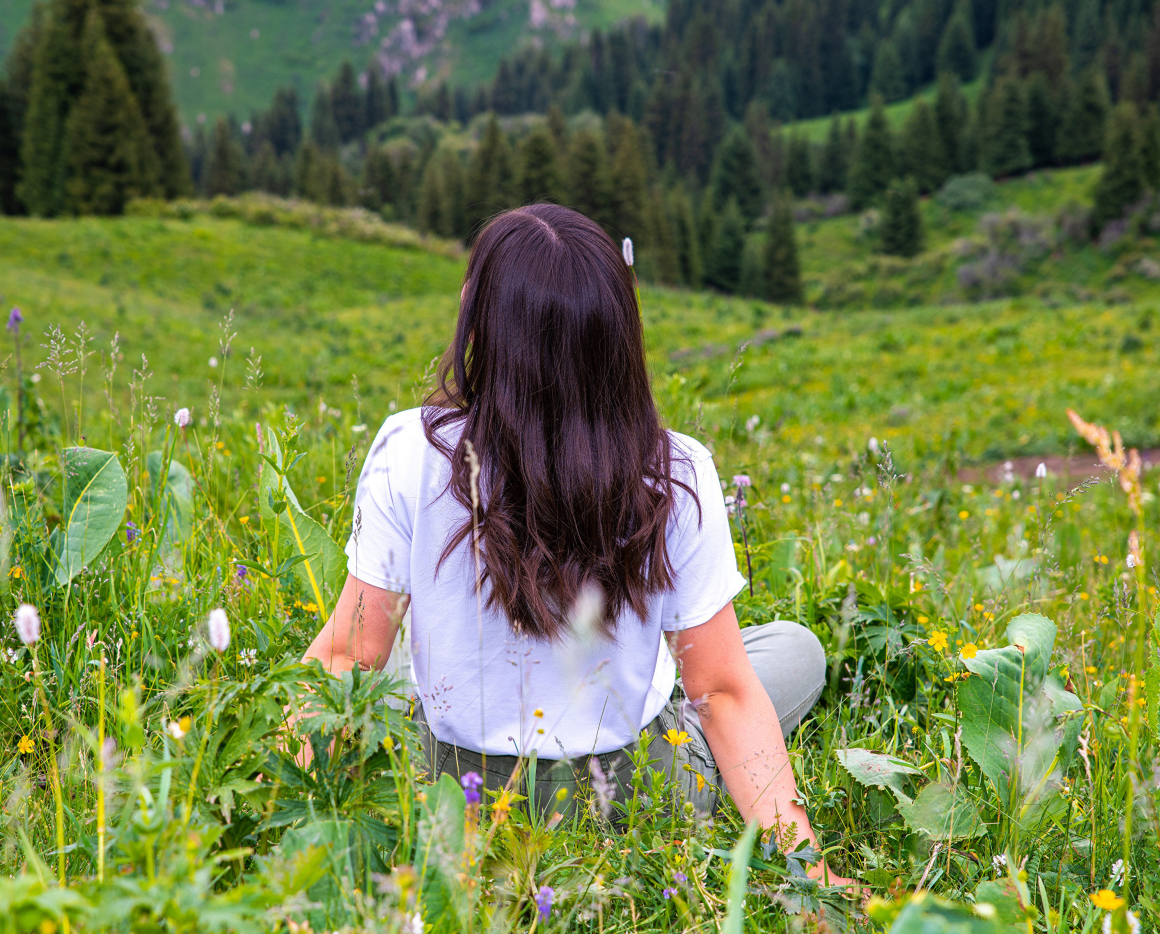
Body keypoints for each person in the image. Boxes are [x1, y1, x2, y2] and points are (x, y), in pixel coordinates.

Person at [303, 203, 850, 886]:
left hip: (453, 794)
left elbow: (347, 657)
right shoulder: (676, 471)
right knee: (794, 650)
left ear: (483, 326)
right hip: (627, 795)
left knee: (380, 670)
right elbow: (722, 694)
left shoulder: (411, 451)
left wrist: (284, 799)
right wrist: (809, 874)